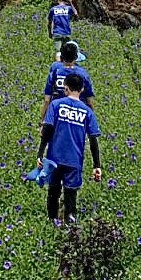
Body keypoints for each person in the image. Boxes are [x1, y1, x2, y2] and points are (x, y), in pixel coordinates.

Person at [36, 72, 102, 224]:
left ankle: (52, 222)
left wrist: (40, 153)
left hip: (54, 158)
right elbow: (93, 139)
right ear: (82, 89)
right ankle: (70, 226)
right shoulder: (87, 111)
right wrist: (96, 165)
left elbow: (47, 129)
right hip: (74, 160)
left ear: (65, 88)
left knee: (53, 191)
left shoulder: (56, 104)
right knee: (71, 193)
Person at [42, 40, 95, 105]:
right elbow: (89, 101)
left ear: (62, 57)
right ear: (76, 57)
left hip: (57, 107)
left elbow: (47, 100)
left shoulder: (55, 69)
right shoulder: (83, 73)